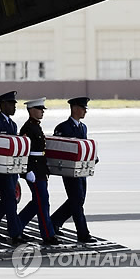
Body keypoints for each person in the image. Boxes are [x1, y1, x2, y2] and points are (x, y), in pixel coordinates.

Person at [0, 91, 30, 244]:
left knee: (7, 199)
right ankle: (15, 233)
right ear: (3, 105)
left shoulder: (12, 124)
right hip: (0, 169)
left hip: (11, 169)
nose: (14, 107)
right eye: (11, 104)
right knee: (10, 198)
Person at [51, 96, 97, 243]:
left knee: (78, 200)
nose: (85, 112)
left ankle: (54, 222)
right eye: (83, 108)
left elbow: (84, 147)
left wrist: (93, 157)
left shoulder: (83, 127)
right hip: (70, 171)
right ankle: (83, 233)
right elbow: (57, 149)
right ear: (75, 108)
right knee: (76, 201)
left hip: (82, 170)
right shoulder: (62, 128)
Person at [17, 97, 60, 245]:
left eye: (43, 109)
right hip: (34, 170)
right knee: (43, 202)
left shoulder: (36, 126)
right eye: (39, 109)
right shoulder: (28, 128)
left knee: (38, 202)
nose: (42, 112)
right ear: (31, 110)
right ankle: (48, 235)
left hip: (40, 169)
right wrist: (27, 171)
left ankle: (17, 225)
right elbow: (25, 151)